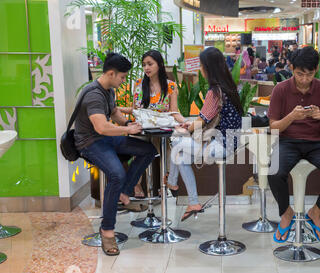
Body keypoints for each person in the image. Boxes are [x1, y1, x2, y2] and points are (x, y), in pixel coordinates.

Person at [74, 53, 157, 255]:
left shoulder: (109, 90)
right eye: (121, 77)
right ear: (111, 73)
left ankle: (124, 192)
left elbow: (115, 116)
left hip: (106, 138)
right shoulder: (93, 94)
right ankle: (107, 231)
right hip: (90, 142)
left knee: (148, 151)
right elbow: (102, 127)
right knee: (116, 173)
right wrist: (128, 131)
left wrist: (131, 124)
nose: (123, 81)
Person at [267, 46, 320, 243]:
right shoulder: (281, 89)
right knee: (274, 172)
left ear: (316, 70)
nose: (304, 79)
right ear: (292, 68)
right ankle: (286, 214)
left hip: (318, 143)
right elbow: (274, 127)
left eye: (309, 74)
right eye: (300, 74)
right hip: (288, 141)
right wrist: (292, 116)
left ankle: (316, 212)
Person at [167, 47, 243, 221]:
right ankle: (192, 201)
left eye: (201, 66)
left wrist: (184, 128)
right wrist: (190, 125)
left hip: (221, 146)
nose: (200, 70)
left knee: (176, 143)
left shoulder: (214, 91)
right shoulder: (230, 88)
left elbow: (201, 121)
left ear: (208, 68)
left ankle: (172, 182)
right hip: (231, 144)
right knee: (181, 158)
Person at [120, 50, 185, 197]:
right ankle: (136, 186)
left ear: (160, 65)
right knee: (138, 150)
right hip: (142, 129)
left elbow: (174, 112)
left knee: (170, 150)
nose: (146, 68)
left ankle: (166, 183)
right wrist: (116, 109)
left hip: (161, 129)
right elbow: (135, 110)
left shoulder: (171, 86)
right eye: (144, 65)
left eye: (150, 64)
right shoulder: (138, 84)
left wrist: (186, 122)